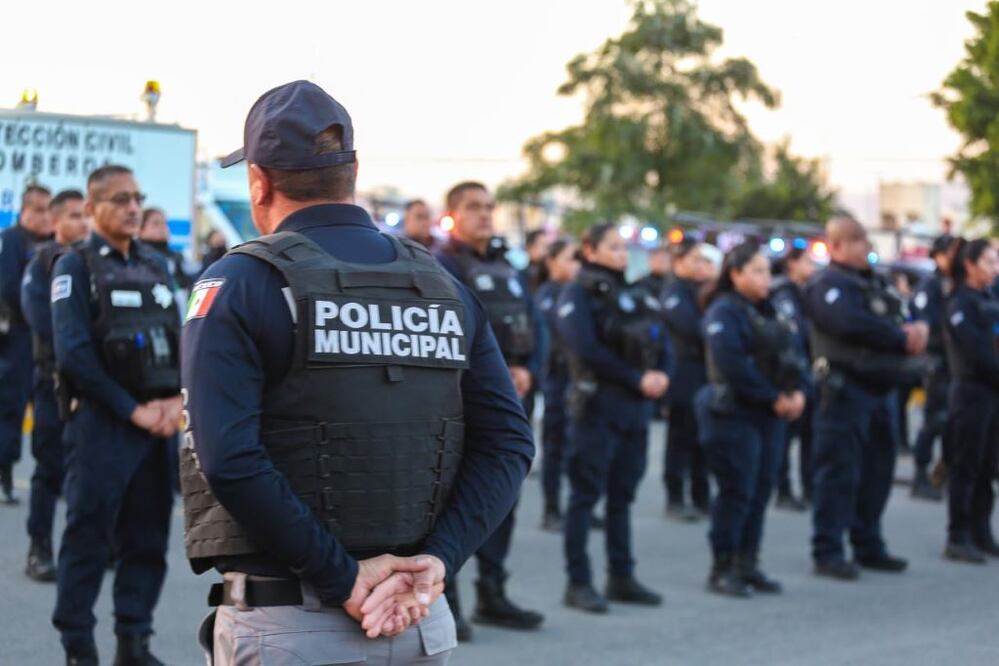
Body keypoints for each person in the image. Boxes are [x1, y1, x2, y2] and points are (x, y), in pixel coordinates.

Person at [180, 81, 534, 666]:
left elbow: (229, 459)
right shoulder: (443, 285)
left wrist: (344, 578)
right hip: (419, 620)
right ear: (353, 171)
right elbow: (510, 443)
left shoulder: (238, 283)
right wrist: (437, 561)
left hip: (293, 625)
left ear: (259, 181)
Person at [50, 165, 182, 666]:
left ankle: (134, 641)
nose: (133, 207)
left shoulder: (156, 263)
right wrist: (133, 411)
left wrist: (175, 402)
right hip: (104, 424)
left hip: (158, 426)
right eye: (120, 199)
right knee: (88, 537)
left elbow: (178, 333)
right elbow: (74, 356)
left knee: (148, 538)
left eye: (137, 197)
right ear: (92, 208)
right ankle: (79, 647)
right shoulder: (75, 266)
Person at [435, 181, 546, 638]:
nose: (485, 215)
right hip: (464, 398)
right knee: (453, 500)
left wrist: (529, 370)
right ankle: (448, 601)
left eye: (489, 207)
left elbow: (535, 323)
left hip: (515, 392)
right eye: (474, 207)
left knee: (502, 498)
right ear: (453, 215)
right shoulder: (440, 264)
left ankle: (493, 594)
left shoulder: (506, 265)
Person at [805, 217, 930, 581]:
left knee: (878, 471)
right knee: (838, 472)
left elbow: (904, 312)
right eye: (858, 241)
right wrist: (898, 337)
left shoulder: (877, 281)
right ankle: (828, 549)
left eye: (867, 241)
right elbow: (847, 323)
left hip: (881, 389)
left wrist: (916, 327)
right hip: (845, 390)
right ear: (837, 246)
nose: (866, 248)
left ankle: (868, 542)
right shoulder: (827, 284)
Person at [557, 223, 670, 614]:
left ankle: (621, 576)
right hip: (598, 405)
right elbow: (585, 348)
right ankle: (579, 581)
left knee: (623, 496)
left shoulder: (638, 289)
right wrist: (636, 377)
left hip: (635, 407)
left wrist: (661, 373)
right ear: (589, 250)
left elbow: (660, 338)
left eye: (625, 247)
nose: (622, 254)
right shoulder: (579, 292)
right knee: (585, 497)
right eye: (613, 246)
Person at [696, 242, 807, 597]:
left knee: (760, 491)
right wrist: (773, 397)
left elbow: (794, 354)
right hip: (734, 413)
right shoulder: (724, 311)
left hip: (768, 414)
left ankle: (748, 563)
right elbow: (732, 364)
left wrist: (798, 392)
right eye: (756, 271)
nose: (765, 278)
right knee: (736, 491)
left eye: (767, 270)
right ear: (735, 274)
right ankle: (723, 566)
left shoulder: (771, 310)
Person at [21, 189, 89, 582]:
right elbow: (43, 322)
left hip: (92, 389)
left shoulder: (94, 261)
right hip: (53, 382)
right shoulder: (42, 262)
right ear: (57, 220)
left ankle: (88, 551)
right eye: (75, 216)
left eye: (86, 216)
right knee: (49, 469)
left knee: (90, 472)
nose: (83, 223)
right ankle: (39, 546)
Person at [941, 238, 999, 563]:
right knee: (965, 465)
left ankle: (981, 531)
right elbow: (977, 354)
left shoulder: (989, 299)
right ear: (970, 265)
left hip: (992, 393)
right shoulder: (961, 303)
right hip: (971, 392)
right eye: (989, 262)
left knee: (987, 466)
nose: (995, 268)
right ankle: (957, 535)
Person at [0, 184, 53, 503]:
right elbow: (7, 288)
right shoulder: (11, 240)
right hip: (18, 337)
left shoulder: (50, 244)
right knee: (11, 407)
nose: (47, 216)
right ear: (26, 210)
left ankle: (48, 476)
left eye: (49, 209)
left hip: (45, 338)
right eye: (40, 209)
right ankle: (5, 471)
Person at [661, 238, 714, 522]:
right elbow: (694, 328)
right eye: (694, 259)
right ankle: (675, 497)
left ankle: (701, 495)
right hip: (682, 375)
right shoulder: (674, 292)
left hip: (702, 374)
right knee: (680, 439)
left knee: (701, 440)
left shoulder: (699, 290)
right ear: (679, 262)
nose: (700, 265)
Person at [534, 237, 581, 531]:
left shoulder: (577, 294)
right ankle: (552, 508)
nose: (575, 265)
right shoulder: (546, 296)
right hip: (556, 380)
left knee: (578, 449)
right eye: (569, 258)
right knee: (555, 447)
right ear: (551, 262)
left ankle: (577, 505)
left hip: (577, 381)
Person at [910, 234, 959, 501]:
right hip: (937, 360)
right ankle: (920, 474)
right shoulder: (930, 286)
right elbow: (923, 324)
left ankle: (945, 472)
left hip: (957, 362)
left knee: (954, 422)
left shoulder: (958, 283)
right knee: (934, 419)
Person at [770, 246, 816, 511]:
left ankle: (810, 488)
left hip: (807, 373)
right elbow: (793, 335)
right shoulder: (784, 294)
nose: (812, 266)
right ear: (792, 264)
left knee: (810, 436)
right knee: (785, 438)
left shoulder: (806, 292)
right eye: (807, 261)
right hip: (790, 373)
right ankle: (783, 488)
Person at [139, 207, 193, 291]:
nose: (162, 228)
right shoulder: (136, 256)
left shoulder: (177, 257)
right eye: (156, 224)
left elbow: (188, 283)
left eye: (165, 223)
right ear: (140, 230)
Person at [522, 228, 551, 295]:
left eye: (548, 246)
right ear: (529, 247)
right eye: (543, 245)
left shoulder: (551, 273)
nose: (547, 250)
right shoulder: (522, 276)